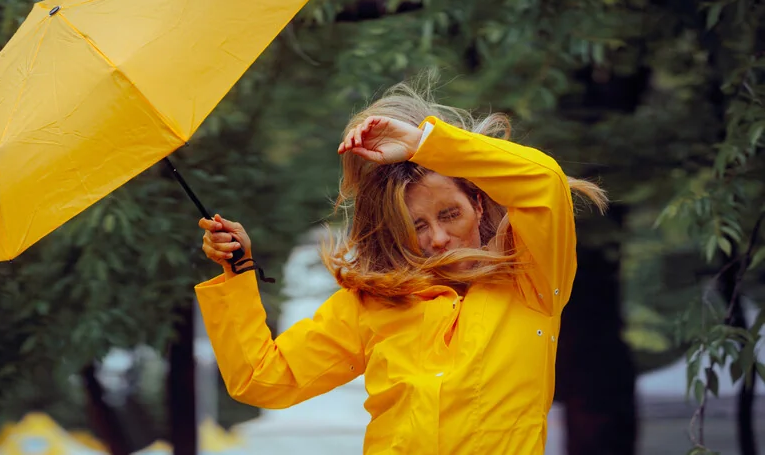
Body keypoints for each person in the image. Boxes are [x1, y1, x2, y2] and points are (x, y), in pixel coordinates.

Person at [194, 80, 607, 454]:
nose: (439, 239)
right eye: (417, 226)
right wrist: (239, 271)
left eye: (449, 214)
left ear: (477, 204)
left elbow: (544, 183)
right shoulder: (371, 305)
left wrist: (425, 144)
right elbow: (263, 378)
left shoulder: (532, 278)